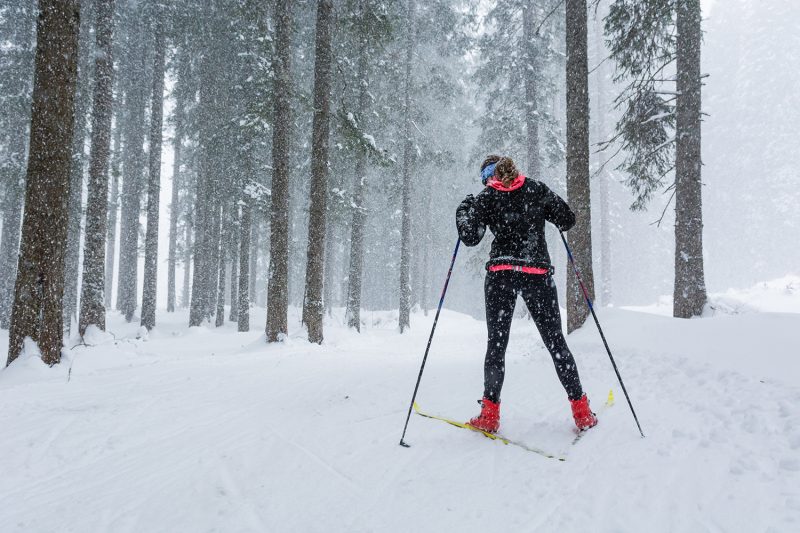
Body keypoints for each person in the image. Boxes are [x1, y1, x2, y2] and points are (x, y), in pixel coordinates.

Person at [455, 155, 597, 433]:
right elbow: (566, 220)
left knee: (496, 346)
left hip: (501, 274)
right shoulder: (535, 188)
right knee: (556, 343)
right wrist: (545, 206)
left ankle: (490, 415)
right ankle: (581, 412)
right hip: (537, 274)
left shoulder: (486, 198)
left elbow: (470, 236)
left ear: (489, 176)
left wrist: (464, 208)